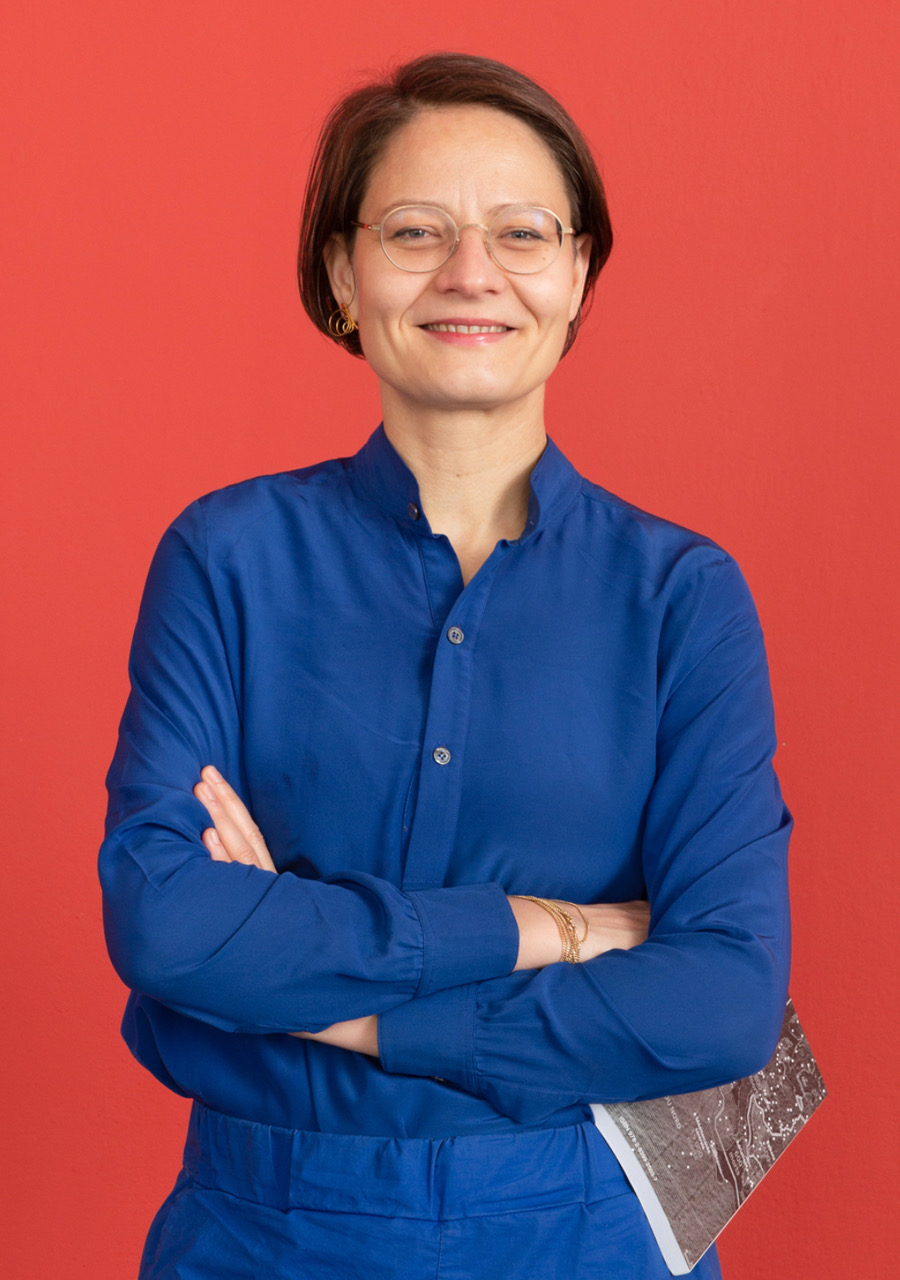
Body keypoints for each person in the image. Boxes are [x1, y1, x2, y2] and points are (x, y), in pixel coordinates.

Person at [99, 52, 791, 1279]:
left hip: (590, 1224)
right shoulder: (228, 557)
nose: (472, 272)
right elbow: (166, 924)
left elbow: (727, 1001)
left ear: (578, 275)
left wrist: (335, 1003)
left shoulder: (683, 596)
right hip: (265, 1225)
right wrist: (543, 928)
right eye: (417, 231)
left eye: (522, 234)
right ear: (343, 272)